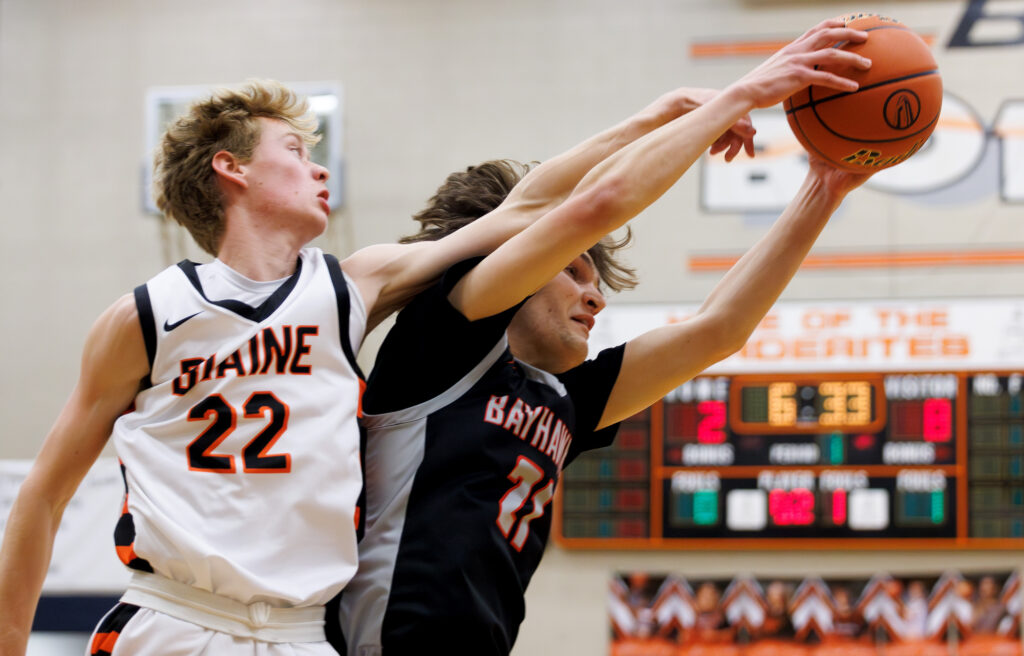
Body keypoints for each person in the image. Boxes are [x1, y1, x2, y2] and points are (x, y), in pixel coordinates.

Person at [0, 78, 745, 656]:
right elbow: (40, 500)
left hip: (301, 631)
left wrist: (656, 116)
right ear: (230, 168)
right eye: (294, 151)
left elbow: (529, 209)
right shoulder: (144, 316)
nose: (319, 168)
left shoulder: (349, 286)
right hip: (177, 614)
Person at [337, 18, 875, 656]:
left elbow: (719, 331)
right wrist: (741, 95)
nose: (595, 296)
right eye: (571, 271)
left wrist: (823, 187)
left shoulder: (564, 399)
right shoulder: (444, 338)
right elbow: (596, 204)